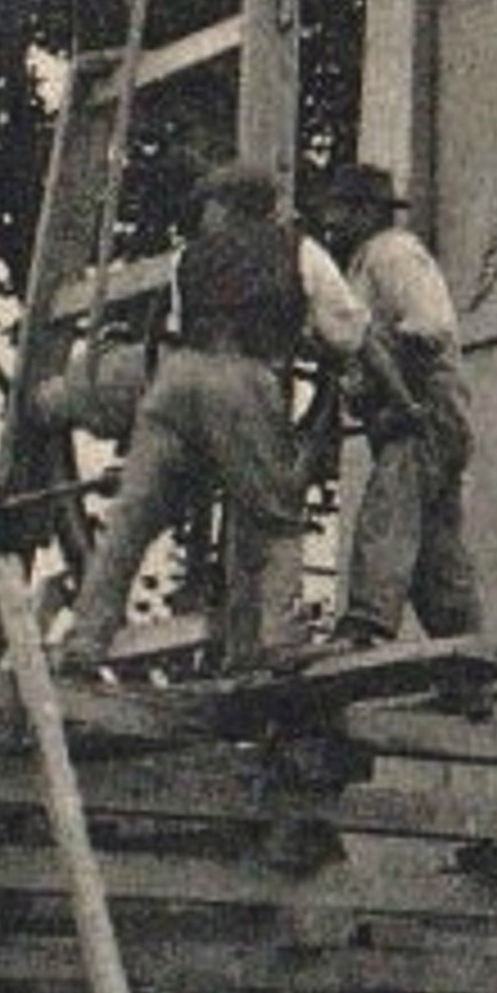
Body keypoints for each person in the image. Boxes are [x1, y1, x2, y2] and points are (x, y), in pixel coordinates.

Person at [52, 162, 411, 677]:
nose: (204, 215)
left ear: (226, 206)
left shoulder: (189, 258)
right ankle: (281, 638)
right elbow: (352, 333)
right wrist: (402, 400)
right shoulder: (299, 250)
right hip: (244, 377)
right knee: (277, 515)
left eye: (210, 205)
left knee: (132, 517)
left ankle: (85, 640)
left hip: (175, 379)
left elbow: (174, 329)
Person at [312, 164, 484, 651]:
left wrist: (402, 397)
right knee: (433, 540)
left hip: (423, 402)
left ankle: (368, 620)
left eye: (340, 210)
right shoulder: (363, 263)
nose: (331, 222)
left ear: (366, 211)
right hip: (407, 409)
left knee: (390, 505)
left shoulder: (393, 253)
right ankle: (461, 643)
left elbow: (428, 327)